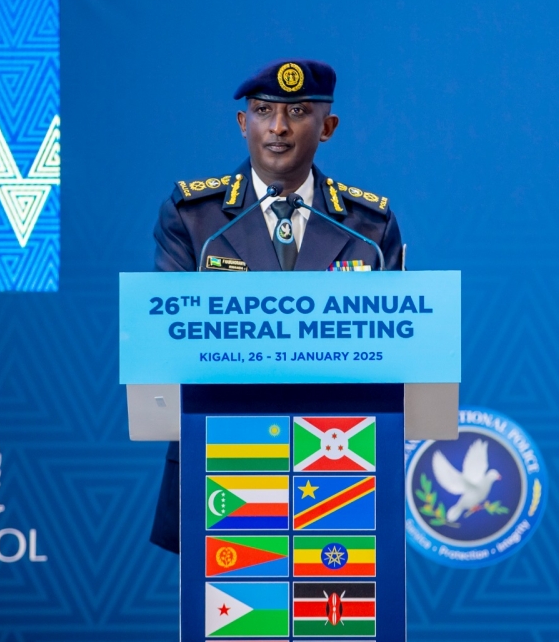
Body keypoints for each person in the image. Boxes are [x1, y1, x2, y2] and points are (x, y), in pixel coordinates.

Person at [149, 59, 404, 553]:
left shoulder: (369, 226)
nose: (279, 127)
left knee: (329, 622)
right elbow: (169, 340)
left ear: (327, 127)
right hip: (221, 466)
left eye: (298, 112)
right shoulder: (194, 219)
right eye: (263, 111)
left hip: (337, 469)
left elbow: (392, 356)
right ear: (244, 123)